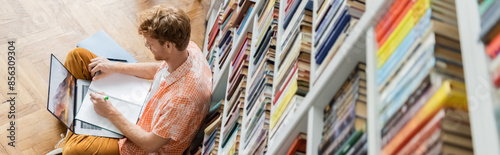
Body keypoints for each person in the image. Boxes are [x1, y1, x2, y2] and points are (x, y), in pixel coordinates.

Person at [59, 4, 212, 154]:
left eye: (150, 43)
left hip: (141, 143)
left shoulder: (181, 100)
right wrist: (114, 66)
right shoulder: (188, 49)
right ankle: (80, 123)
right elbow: (159, 70)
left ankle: (78, 123)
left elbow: (150, 144)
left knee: (72, 151)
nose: (146, 44)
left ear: (168, 46)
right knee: (77, 56)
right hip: (143, 104)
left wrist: (110, 111)